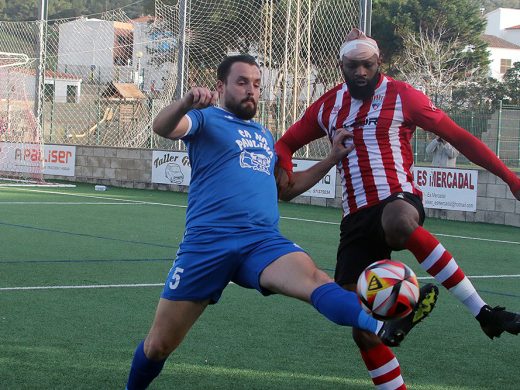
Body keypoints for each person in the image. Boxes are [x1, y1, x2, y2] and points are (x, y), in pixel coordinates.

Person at [125, 54, 431, 390]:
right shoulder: (205, 119)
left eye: (256, 84)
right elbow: (163, 127)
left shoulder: (264, 136)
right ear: (220, 86)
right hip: (208, 244)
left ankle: (381, 326)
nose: (251, 90)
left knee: (315, 279)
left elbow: (289, 188)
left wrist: (331, 158)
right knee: (158, 346)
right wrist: (185, 103)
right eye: (242, 82)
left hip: (261, 242)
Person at [275, 28, 520, 389]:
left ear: (380, 63)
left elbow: (460, 138)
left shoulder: (404, 96)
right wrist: (281, 169)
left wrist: (510, 178)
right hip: (356, 217)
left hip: (397, 198)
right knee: (358, 323)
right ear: (340, 65)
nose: (360, 73)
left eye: (368, 65)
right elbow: (286, 142)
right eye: (352, 66)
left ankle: (484, 313)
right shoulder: (327, 106)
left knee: (399, 222)